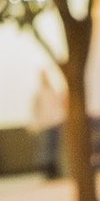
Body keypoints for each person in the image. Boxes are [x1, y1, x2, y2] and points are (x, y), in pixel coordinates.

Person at [27, 51, 66, 183]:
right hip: (45, 124)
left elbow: (58, 104)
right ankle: (47, 172)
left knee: (54, 148)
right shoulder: (39, 94)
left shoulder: (52, 90)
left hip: (55, 122)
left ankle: (55, 172)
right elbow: (36, 110)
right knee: (46, 148)